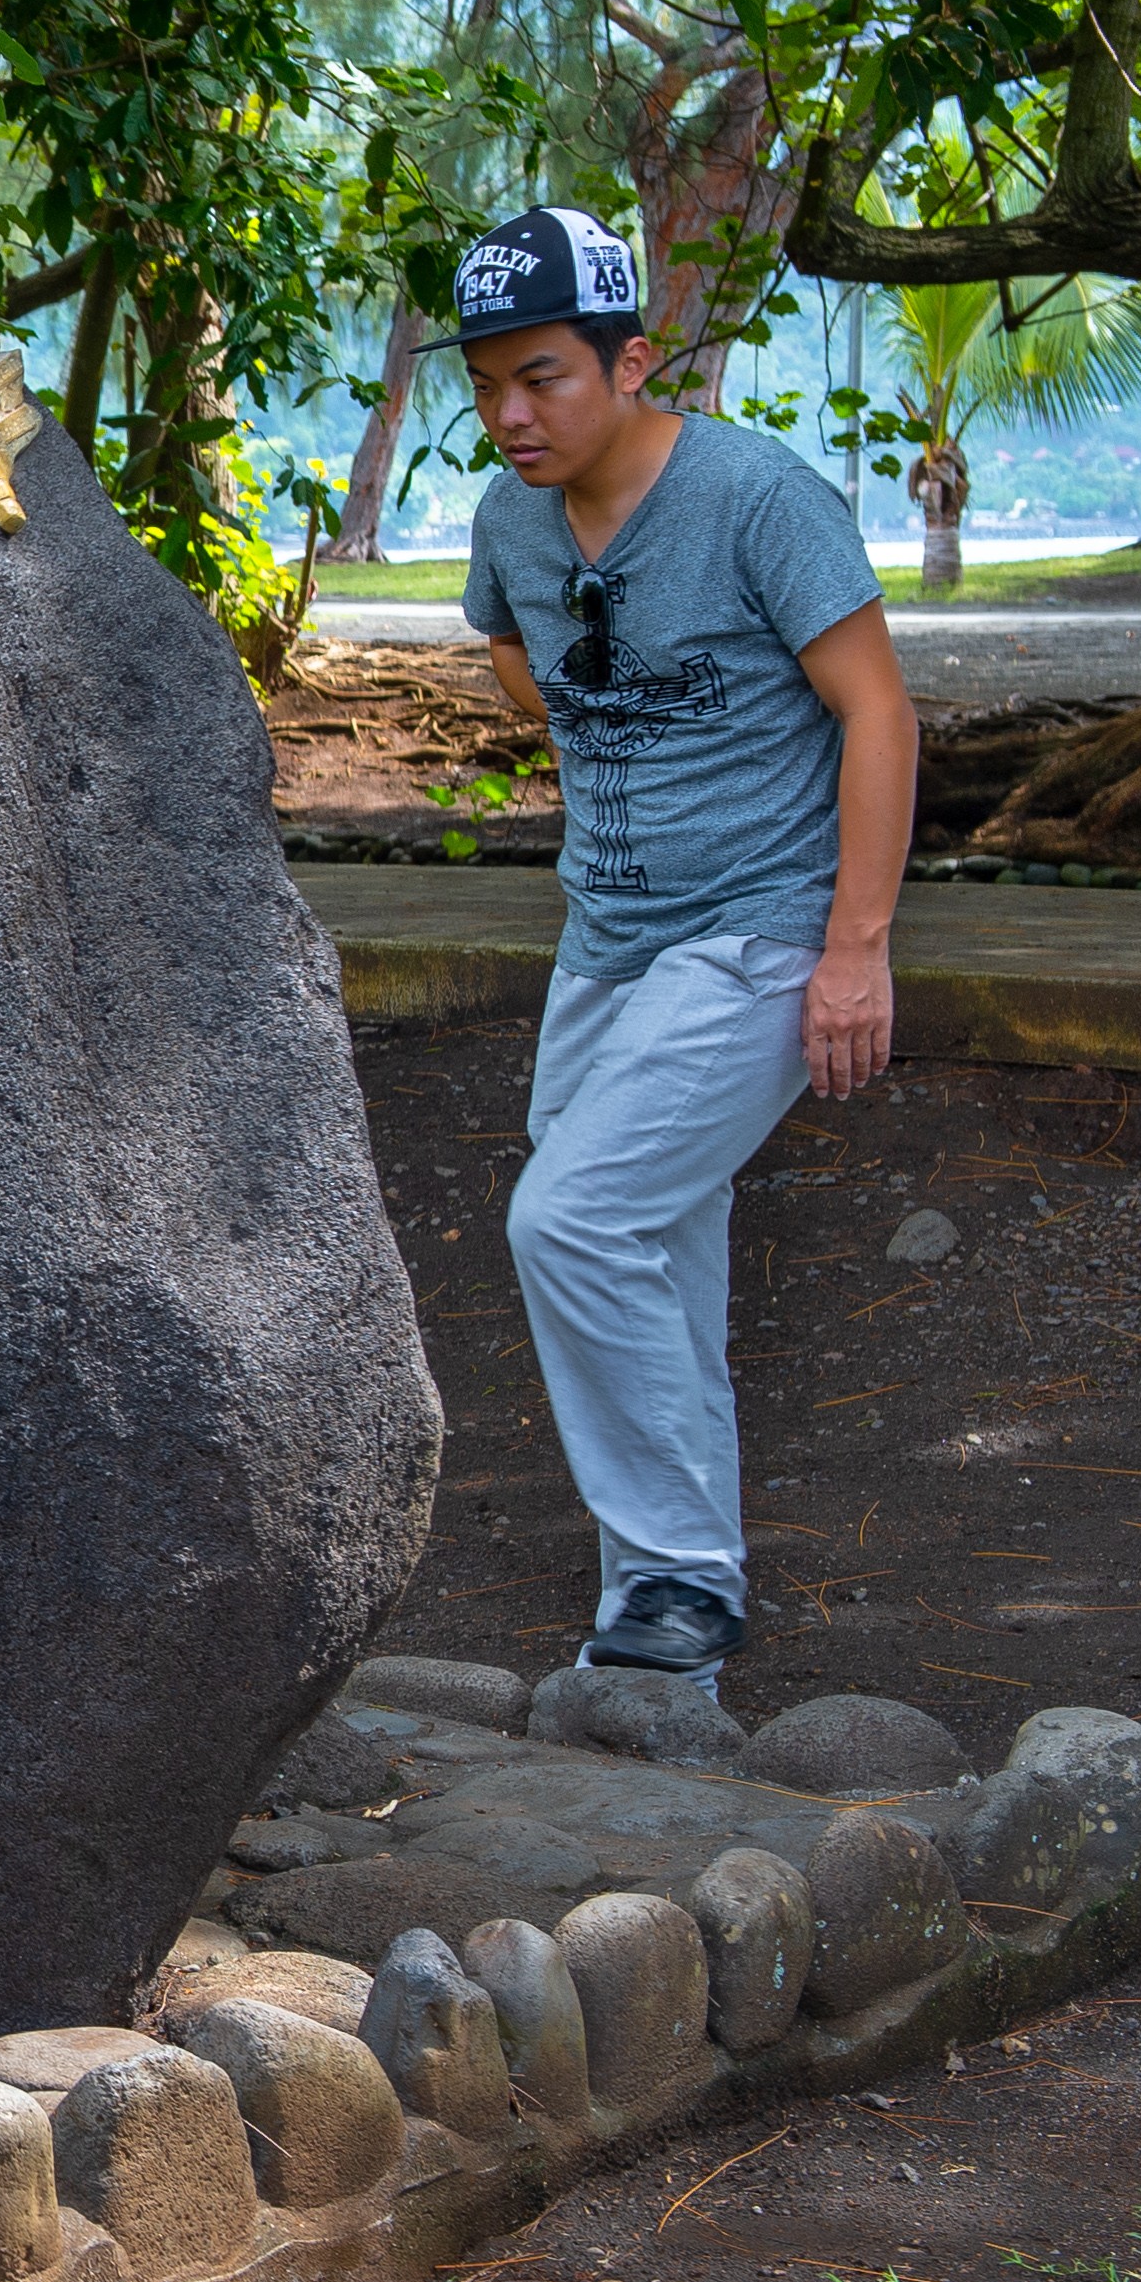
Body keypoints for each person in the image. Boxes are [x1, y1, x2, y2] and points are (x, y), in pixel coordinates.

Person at [445, 203, 917, 1693]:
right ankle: (665, 1616)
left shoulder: (753, 497)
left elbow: (880, 714)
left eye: (544, 379)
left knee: (570, 1222)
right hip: (608, 946)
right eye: (486, 385)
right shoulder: (513, 519)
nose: (511, 415)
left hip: (760, 935)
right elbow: (526, 671)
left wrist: (856, 949)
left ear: (630, 361)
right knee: (648, 1245)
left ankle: (673, 1583)